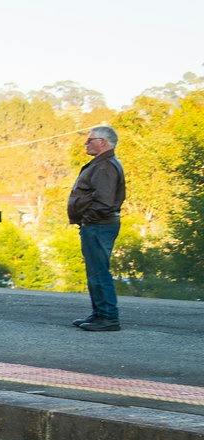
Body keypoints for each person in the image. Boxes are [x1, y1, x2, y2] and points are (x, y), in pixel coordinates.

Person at [67, 125, 126, 331]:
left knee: (99, 272)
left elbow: (104, 202)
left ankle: (108, 317)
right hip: (98, 224)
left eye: (90, 140)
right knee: (95, 271)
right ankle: (99, 314)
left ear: (103, 142)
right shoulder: (102, 164)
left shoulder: (105, 167)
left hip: (99, 225)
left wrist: (88, 219)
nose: (86, 143)